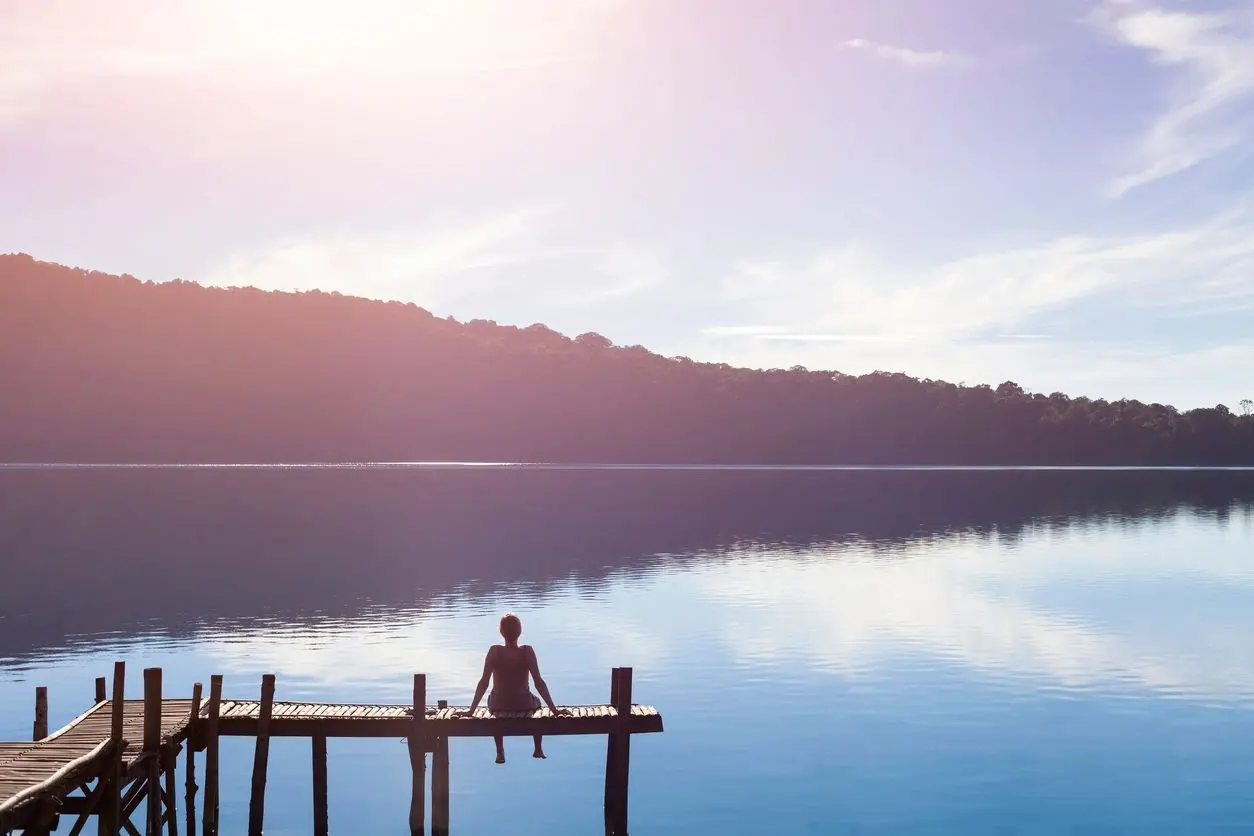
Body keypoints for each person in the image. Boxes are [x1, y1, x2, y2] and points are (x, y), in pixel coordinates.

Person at [460, 612, 569, 762]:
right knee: (538, 704)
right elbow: (539, 683)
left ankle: (500, 751)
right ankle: (538, 747)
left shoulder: (495, 651)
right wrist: (554, 710)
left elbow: (483, 683)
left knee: (496, 711)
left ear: (501, 632)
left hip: (499, 704)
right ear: (519, 632)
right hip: (523, 703)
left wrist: (471, 711)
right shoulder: (527, 651)